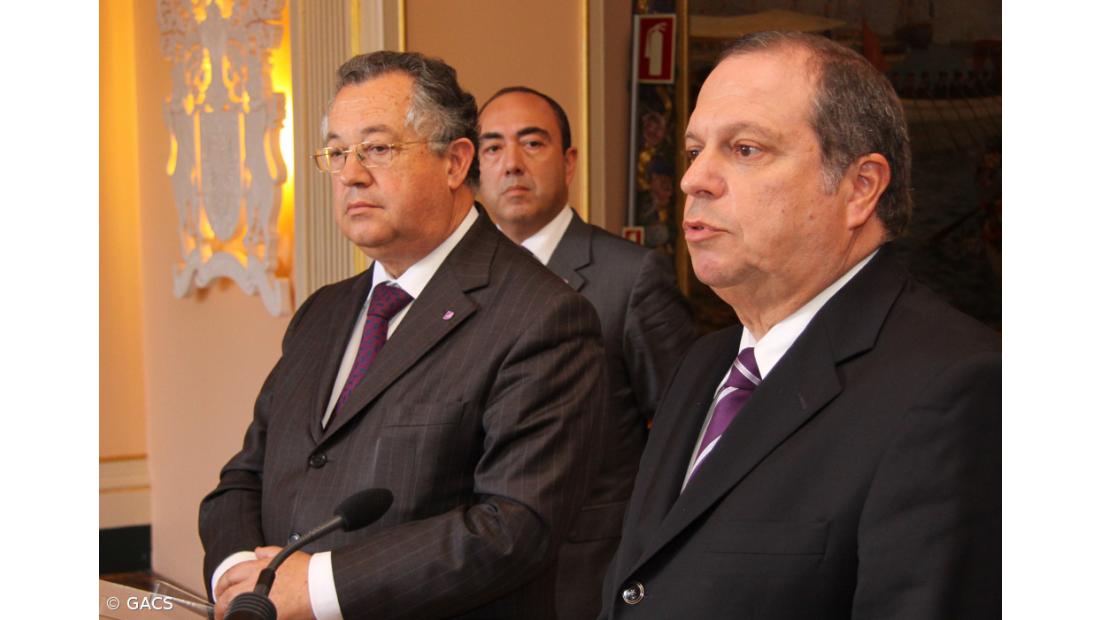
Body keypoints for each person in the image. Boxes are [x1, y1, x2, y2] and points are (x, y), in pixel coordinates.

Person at [600, 31, 1000, 619]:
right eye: (694, 150)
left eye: (745, 149)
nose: (693, 180)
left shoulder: (956, 387)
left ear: (860, 188)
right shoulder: (706, 363)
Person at [199, 51, 609, 620]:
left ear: (455, 162)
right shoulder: (322, 313)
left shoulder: (543, 317)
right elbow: (245, 477)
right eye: (338, 153)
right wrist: (243, 577)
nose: (351, 174)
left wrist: (317, 585)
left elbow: (514, 526)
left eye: (377, 149)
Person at [477, 87, 696, 619]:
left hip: (589, 575)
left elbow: (685, 430)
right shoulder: (455, 285)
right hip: (475, 578)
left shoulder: (631, 277)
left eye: (533, 143)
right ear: (474, 167)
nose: (511, 163)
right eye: (493, 148)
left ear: (569, 161)